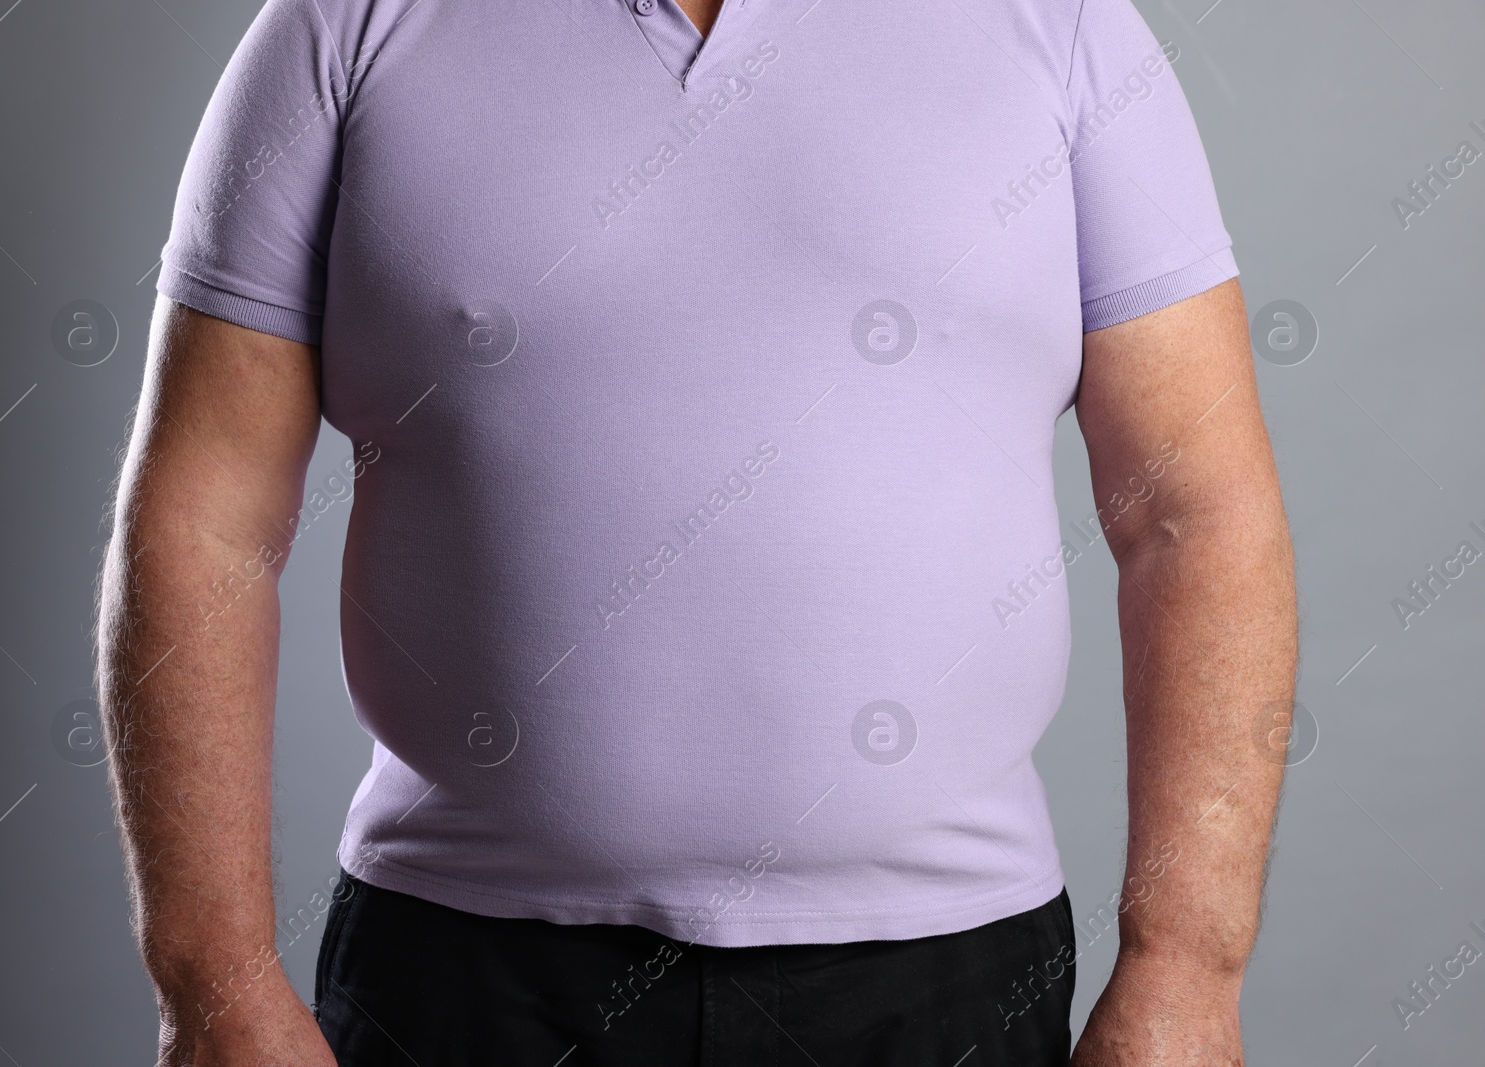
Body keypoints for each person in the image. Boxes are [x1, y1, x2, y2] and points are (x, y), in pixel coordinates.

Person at [95, 0, 1296, 1062]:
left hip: (940, 977)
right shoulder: (343, 28)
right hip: (463, 973)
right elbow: (205, 514)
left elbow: (1194, 513)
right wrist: (214, 988)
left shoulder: (1062, 27)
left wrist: (1187, 968)